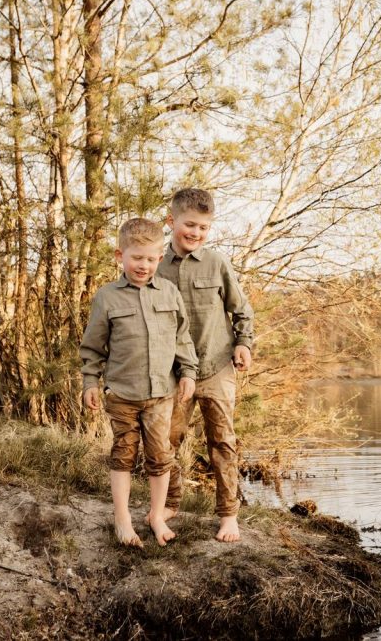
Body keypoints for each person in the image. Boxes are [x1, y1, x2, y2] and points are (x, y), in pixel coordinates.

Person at [80, 218, 197, 548]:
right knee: (123, 455)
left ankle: (157, 516)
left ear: (160, 258)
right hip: (122, 394)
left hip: (161, 394)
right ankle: (122, 520)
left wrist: (188, 372)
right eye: (136, 258)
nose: (143, 265)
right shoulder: (107, 298)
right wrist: (90, 382)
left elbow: (182, 338)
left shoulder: (169, 293)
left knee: (160, 457)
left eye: (150, 259)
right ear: (120, 256)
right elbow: (93, 347)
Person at [155, 188, 254, 543]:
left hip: (216, 366)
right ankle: (170, 502)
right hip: (173, 371)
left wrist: (243, 342)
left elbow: (241, 310)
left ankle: (228, 515)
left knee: (222, 441)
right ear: (171, 221)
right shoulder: (156, 265)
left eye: (203, 227)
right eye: (190, 225)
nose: (196, 233)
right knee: (166, 439)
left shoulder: (217, 263)